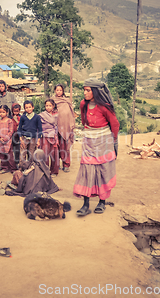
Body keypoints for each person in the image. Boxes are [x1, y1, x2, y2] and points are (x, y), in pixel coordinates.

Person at [73, 78, 119, 217]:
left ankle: (102, 202)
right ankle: (86, 205)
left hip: (103, 141)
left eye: (88, 90)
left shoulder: (104, 107)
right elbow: (83, 120)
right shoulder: (83, 104)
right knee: (87, 170)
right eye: (84, 90)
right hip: (88, 141)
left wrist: (114, 141)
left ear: (95, 91)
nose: (85, 93)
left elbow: (115, 124)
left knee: (103, 170)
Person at [51, 84, 76, 173]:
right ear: (55, 91)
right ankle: (56, 166)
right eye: (57, 90)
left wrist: (71, 124)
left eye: (60, 90)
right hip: (55, 128)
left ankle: (66, 165)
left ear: (63, 91)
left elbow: (71, 114)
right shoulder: (52, 101)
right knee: (56, 147)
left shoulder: (66, 101)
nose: (59, 92)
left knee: (65, 147)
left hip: (65, 127)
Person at [18, 100, 42, 165]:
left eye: (29, 107)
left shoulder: (37, 117)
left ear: (33, 107)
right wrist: (20, 139)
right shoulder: (23, 117)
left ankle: (31, 168)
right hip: (24, 138)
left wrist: (38, 140)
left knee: (31, 154)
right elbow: (19, 128)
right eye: (26, 107)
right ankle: (21, 168)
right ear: (24, 109)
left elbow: (40, 129)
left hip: (33, 138)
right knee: (23, 154)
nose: (28, 109)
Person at [39, 99, 59, 176]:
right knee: (45, 154)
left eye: (50, 105)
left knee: (54, 154)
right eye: (46, 105)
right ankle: (45, 171)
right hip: (45, 136)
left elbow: (56, 126)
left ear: (53, 106)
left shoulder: (56, 115)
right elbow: (40, 126)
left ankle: (54, 171)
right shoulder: (42, 115)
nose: (48, 107)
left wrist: (55, 134)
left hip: (53, 136)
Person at [0, 105, 16, 173]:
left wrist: (5, 139)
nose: (1, 114)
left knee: (10, 155)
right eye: (0, 112)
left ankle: (13, 169)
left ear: (7, 112)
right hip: (0, 141)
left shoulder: (10, 121)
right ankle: (4, 168)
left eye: (3, 112)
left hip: (8, 141)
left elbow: (11, 131)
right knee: (2, 155)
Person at [11, 103, 22, 168]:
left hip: (19, 136)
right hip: (12, 135)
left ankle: (18, 163)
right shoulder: (10, 118)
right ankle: (12, 164)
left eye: (17, 111)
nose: (15, 112)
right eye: (14, 111)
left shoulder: (21, 117)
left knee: (18, 150)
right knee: (12, 150)